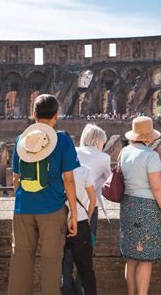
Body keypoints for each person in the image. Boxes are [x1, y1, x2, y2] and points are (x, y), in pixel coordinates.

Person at [8, 94, 80, 295]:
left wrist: (23, 200)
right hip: (53, 208)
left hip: (23, 208)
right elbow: (69, 181)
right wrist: (73, 213)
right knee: (51, 263)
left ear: (33, 114)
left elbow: (15, 178)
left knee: (21, 261)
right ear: (57, 115)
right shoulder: (63, 141)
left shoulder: (20, 140)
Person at [119, 116, 161, 295]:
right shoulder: (150, 156)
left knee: (131, 258)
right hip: (147, 209)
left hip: (127, 205)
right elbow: (157, 188)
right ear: (149, 136)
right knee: (145, 258)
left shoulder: (124, 152)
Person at [62, 124, 110, 294]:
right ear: (98, 141)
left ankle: (67, 290)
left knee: (66, 256)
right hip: (87, 209)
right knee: (85, 257)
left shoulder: (73, 152)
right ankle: (80, 289)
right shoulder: (103, 157)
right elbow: (110, 182)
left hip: (65, 210)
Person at [62, 163, 97, 295]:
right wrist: (87, 217)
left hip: (59, 221)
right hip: (80, 220)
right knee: (86, 267)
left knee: (63, 266)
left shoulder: (55, 168)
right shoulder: (84, 170)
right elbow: (93, 199)